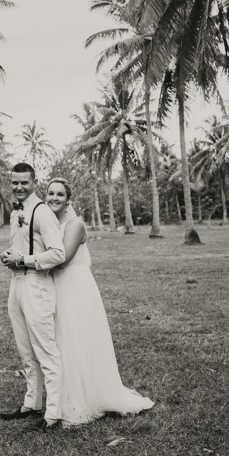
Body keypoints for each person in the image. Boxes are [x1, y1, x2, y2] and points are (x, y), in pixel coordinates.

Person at [46, 177, 154, 426]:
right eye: (50, 193)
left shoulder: (75, 224)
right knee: (61, 341)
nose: (54, 198)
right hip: (56, 287)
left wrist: (28, 261)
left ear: (68, 199)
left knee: (77, 340)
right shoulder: (49, 222)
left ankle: (82, 401)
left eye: (60, 194)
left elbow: (61, 259)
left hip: (74, 285)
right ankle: (65, 397)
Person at [0, 163, 65, 432]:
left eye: (24, 183)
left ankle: (53, 414)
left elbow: (57, 253)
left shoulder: (42, 212)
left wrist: (22, 259)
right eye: (14, 182)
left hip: (36, 286)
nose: (18, 187)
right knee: (26, 351)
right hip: (17, 285)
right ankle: (32, 403)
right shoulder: (17, 212)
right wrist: (9, 255)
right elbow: (21, 246)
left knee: (46, 352)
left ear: (34, 182)